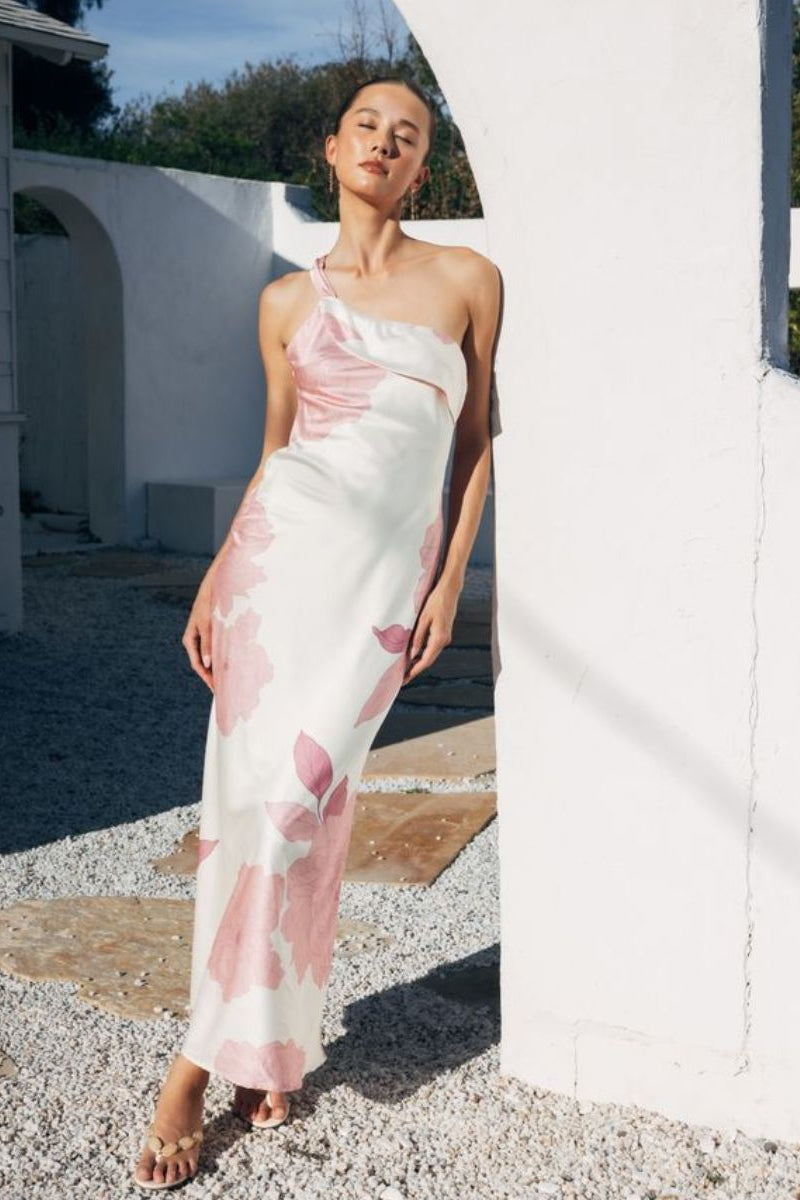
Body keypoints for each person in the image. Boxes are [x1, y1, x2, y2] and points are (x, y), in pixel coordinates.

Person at [133, 73, 500, 1190]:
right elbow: (273, 455)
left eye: (408, 135)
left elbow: (476, 440)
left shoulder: (467, 280)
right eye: (367, 128)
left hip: (380, 592)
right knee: (252, 816)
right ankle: (239, 1052)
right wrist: (213, 578)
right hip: (271, 578)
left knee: (300, 809)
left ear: (420, 167)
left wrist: (445, 581)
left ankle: (219, 1055)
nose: (384, 144)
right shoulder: (287, 303)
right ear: (331, 149)